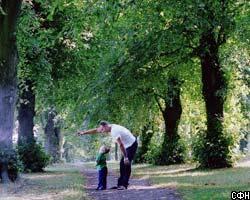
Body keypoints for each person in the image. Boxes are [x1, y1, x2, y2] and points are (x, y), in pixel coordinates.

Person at [78, 121, 138, 190]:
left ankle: (123, 185)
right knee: (122, 164)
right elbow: (95, 130)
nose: (102, 132)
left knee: (125, 164)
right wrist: (83, 133)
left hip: (132, 144)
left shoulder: (114, 131)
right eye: (101, 130)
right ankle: (121, 184)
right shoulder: (109, 126)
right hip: (127, 145)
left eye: (103, 130)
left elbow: (121, 145)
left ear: (106, 126)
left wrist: (126, 157)